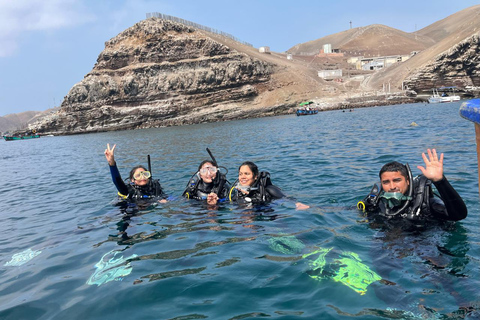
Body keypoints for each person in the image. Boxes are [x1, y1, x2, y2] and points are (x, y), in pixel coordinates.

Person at [358, 149, 467, 222]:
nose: (392, 186)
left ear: (408, 181)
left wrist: (440, 181)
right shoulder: (378, 202)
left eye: (397, 180)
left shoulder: (425, 203)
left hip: (424, 241)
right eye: (386, 182)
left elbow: (458, 215)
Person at [229, 161, 309, 210]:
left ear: (255, 176)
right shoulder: (237, 193)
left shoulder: (268, 189)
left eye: (247, 174)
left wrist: (297, 203)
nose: (243, 177)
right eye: (240, 174)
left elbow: (286, 198)